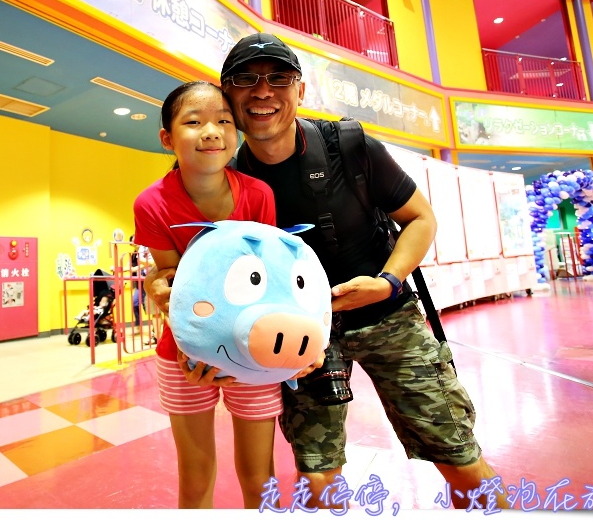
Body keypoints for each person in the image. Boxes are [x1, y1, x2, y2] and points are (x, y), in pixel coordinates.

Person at [145, 33, 509, 510]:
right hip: (302, 338)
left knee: (460, 459)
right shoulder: (226, 177)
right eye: (245, 80)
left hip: (389, 319)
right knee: (317, 474)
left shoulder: (350, 146)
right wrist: (164, 291)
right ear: (228, 97)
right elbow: (204, 273)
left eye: (279, 78)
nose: (262, 91)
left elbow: (421, 219)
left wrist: (387, 282)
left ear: (300, 90)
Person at [132, 80, 284, 509]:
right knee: (195, 480)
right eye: (194, 122)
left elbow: (267, 280)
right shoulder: (153, 203)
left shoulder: (258, 195)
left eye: (224, 121)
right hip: (184, 354)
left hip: (252, 351)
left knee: (260, 478)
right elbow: (170, 279)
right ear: (167, 138)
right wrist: (190, 344)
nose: (212, 131)